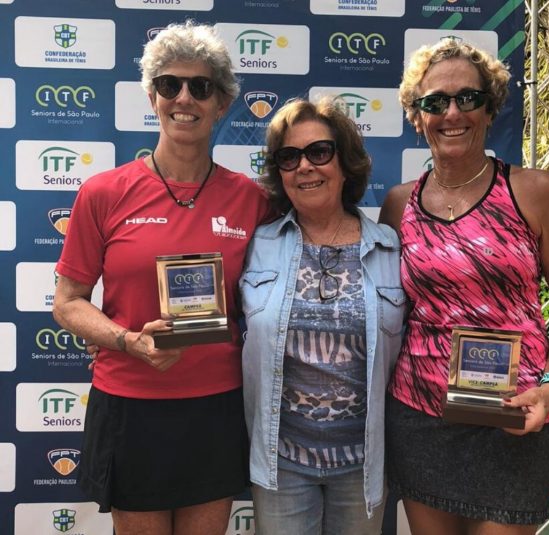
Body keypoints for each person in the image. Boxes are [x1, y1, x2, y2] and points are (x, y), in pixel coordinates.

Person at [52, 21, 272, 535]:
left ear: (222, 103)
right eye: (170, 84)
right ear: (152, 96)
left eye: (201, 87)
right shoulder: (103, 193)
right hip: (130, 404)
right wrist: (125, 340)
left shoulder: (253, 200)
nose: (184, 98)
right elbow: (67, 302)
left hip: (216, 405)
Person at [379, 39, 549, 535]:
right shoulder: (398, 205)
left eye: (467, 98)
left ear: (490, 108)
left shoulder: (536, 192)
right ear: (417, 117)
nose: (452, 113)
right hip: (421, 415)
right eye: (435, 101)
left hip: (516, 416)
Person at [239, 96, 405, 535]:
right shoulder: (257, 245)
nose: (304, 167)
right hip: (282, 464)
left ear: (345, 163)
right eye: (289, 157)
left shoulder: (391, 247)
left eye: (319, 152)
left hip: (363, 465)